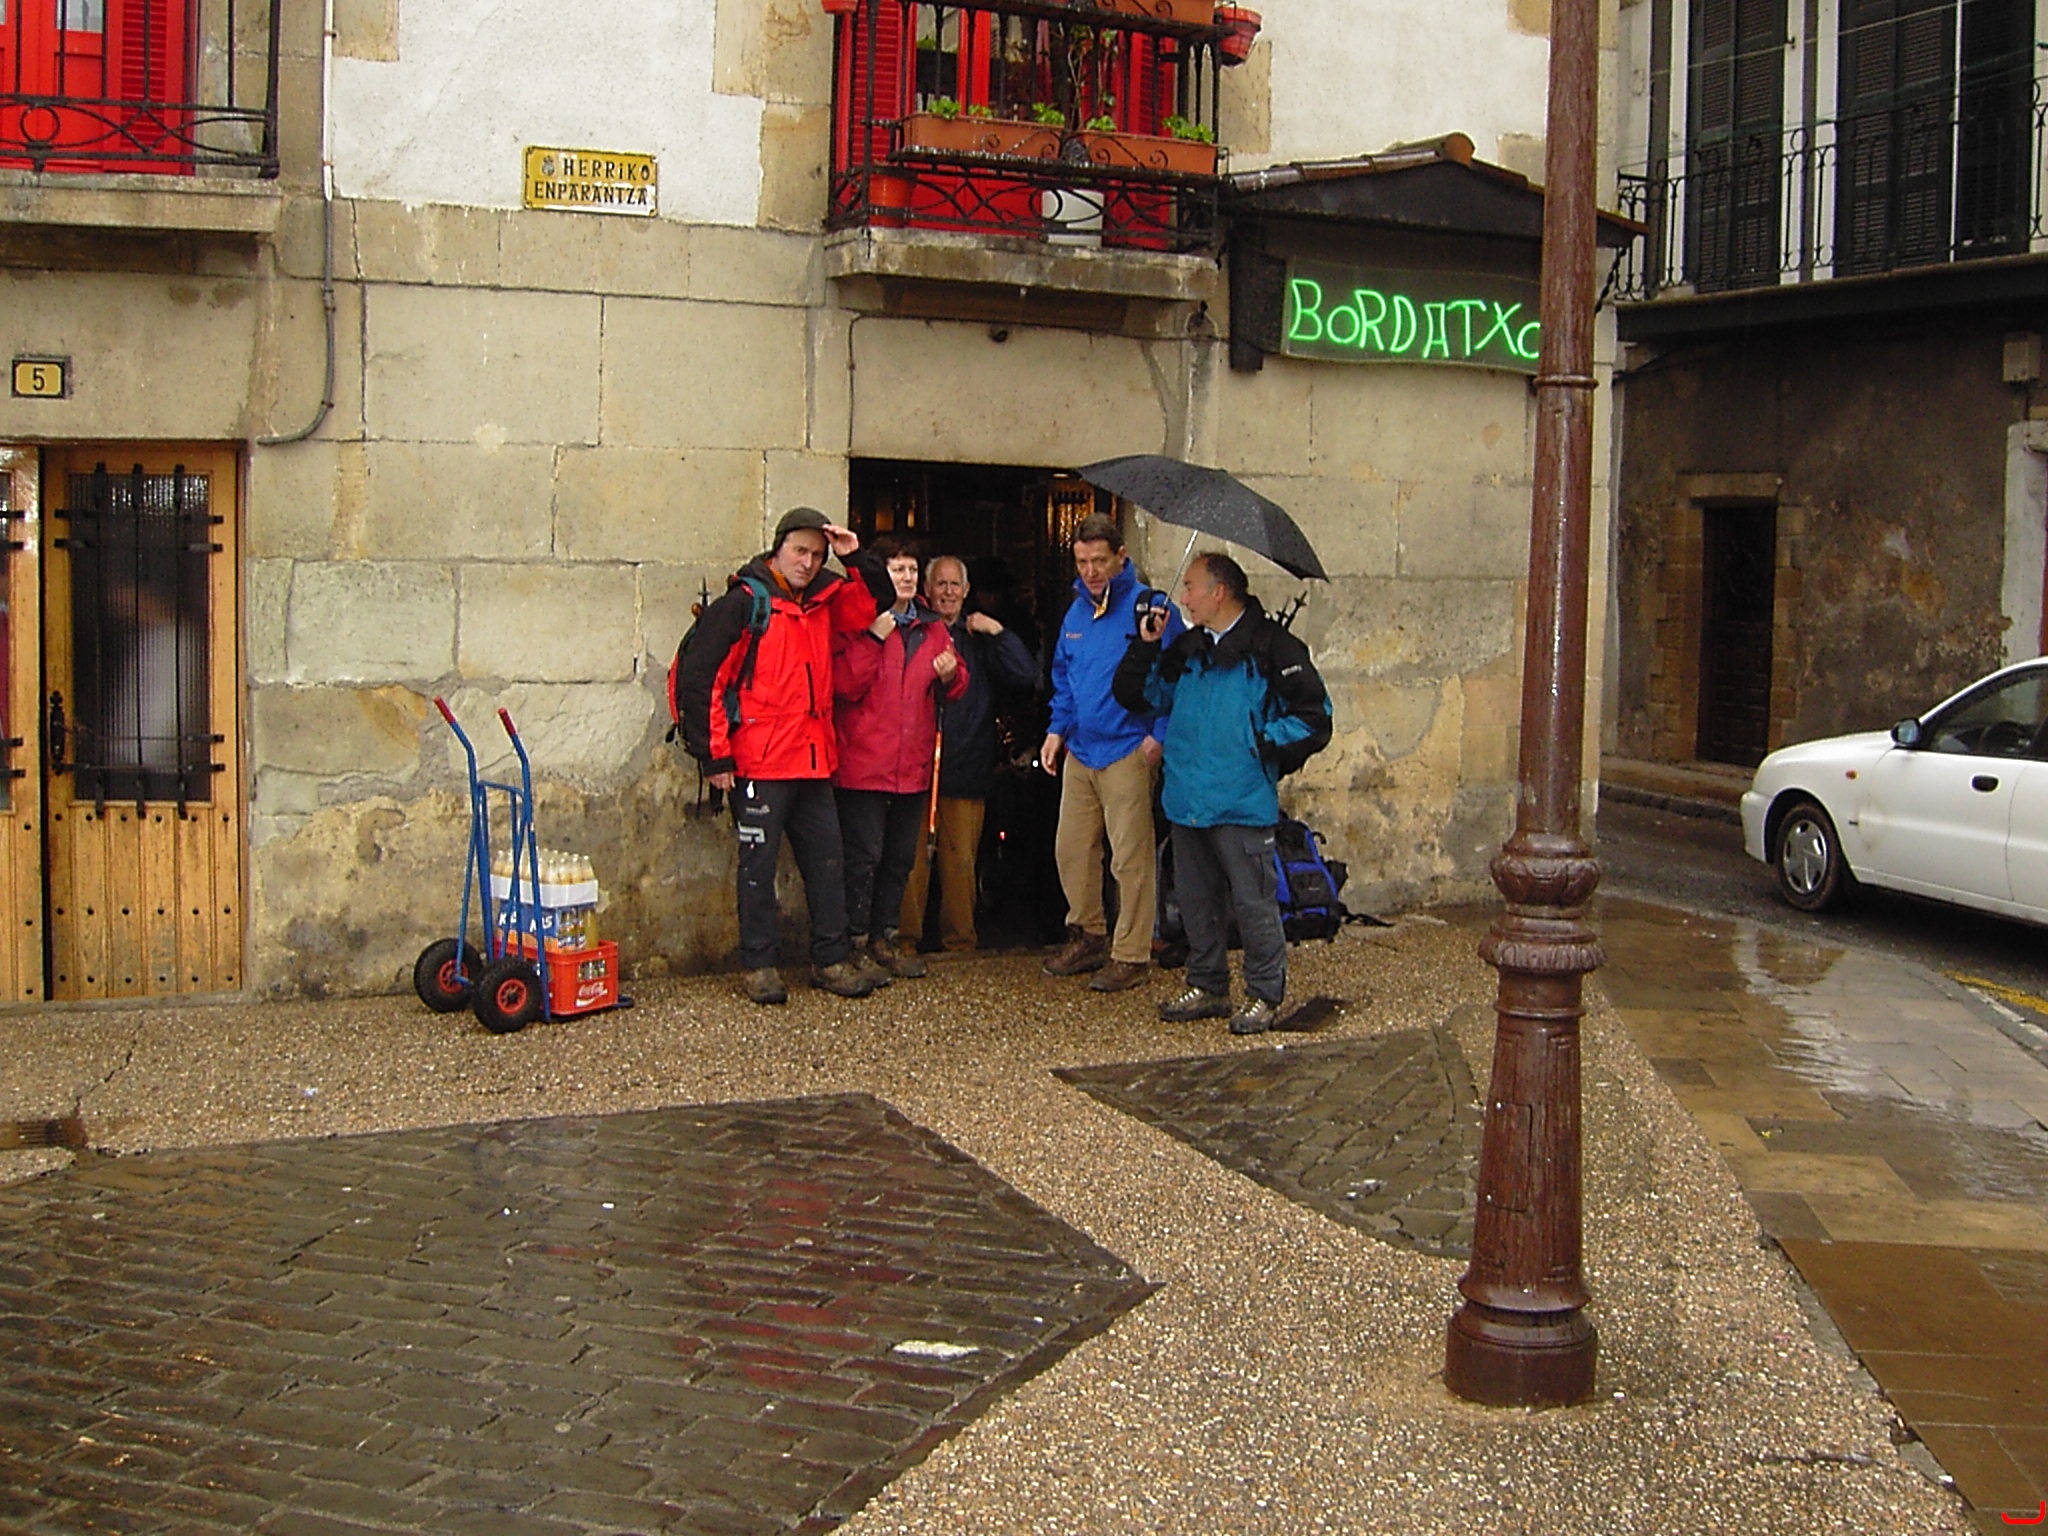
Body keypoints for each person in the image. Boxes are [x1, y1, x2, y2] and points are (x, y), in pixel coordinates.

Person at [1114, 551, 1332, 1034]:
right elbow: (1141, 696)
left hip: (1241, 800)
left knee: (1253, 904)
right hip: (1187, 799)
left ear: (1219, 592)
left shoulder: (1274, 647)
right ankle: (1208, 984)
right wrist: (1146, 646)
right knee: (1196, 903)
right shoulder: (1188, 647)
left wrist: (1261, 743)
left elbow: (1316, 718)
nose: (1184, 597)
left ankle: (1263, 992)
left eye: (1191, 587)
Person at [676, 507, 882, 1006]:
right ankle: (759, 965)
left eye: (817, 555)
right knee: (757, 869)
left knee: (828, 864)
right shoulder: (743, 604)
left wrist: (856, 557)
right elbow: (701, 681)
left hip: (813, 762)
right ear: (778, 548)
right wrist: (715, 758)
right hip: (759, 764)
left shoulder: (824, 603)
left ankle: (830, 959)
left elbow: (873, 602)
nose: (808, 563)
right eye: (799, 551)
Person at [1039, 513, 1184, 993]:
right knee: (1072, 849)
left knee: (1130, 858)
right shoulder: (1076, 613)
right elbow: (1064, 677)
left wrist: (1159, 734)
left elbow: (1177, 673)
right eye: (1082, 562)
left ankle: (1131, 953)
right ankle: (1089, 933)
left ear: (1121, 557)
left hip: (1128, 746)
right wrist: (1056, 729)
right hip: (1082, 747)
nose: (1090, 571)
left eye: (1099, 561)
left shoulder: (1152, 608)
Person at [834, 539, 968, 983]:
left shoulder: (932, 627)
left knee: (898, 859)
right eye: (898, 569)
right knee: (863, 858)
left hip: (911, 765)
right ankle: (854, 942)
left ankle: (884, 939)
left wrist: (951, 674)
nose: (907, 577)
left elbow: (956, 684)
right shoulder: (862, 621)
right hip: (864, 762)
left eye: (912, 569)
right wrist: (874, 638)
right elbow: (845, 684)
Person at [900, 553, 1039, 953]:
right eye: (940, 584)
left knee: (960, 864)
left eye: (954, 584)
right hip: (915, 767)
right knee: (911, 863)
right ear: (927, 590)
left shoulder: (977, 637)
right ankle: (904, 942)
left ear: (966, 591)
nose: (947, 592)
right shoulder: (912, 632)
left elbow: (1025, 675)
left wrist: (998, 631)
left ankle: (960, 946)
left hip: (967, 764)